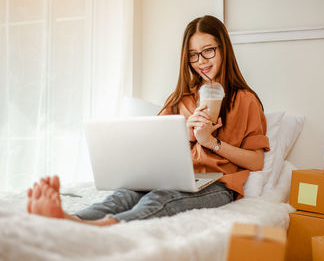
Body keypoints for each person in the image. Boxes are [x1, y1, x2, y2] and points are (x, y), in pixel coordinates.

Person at [27, 15, 270, 226]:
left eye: (208, 50)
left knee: (161, 197)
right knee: (124, 194)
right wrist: (184, 134)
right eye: (193, 55)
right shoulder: (180, 100)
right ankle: (73, 219)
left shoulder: (246, 100)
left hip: (219, 184)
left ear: (223, 48)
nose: (201, 61)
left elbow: (257, 161)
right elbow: (152, 148)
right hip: (175, 176)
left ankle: (103, 227)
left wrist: (211, 143)